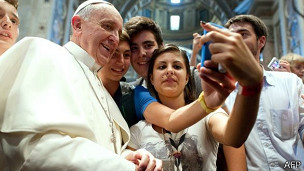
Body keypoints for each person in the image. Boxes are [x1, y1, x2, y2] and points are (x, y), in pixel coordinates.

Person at [0, 1, 162, 170]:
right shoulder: (43, 53)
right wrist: (123, 167)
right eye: (108, 26)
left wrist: (129, 157)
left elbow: (100, 147)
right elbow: (33, 148)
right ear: (77, 25)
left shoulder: (100, 87)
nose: (115, 38)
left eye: (118, 32)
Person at [129, 42, 262, 171]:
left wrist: (249, 86)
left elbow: (233, 136)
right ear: (151, 79)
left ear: (187, 77)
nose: (169, 71)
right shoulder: (137, 130)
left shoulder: (208, 116)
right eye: (162, 67)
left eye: (177, 66)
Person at [223, 15, 304, 171]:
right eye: (230, 37)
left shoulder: (290, 82)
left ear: (261, 41)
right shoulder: (222, 94)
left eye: (243, 34)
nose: (235, 40)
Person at [98, 29, 137, 127]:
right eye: (114, 54)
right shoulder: (83, 88)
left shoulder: (133, 96)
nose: (121, 61)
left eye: (126, 55)